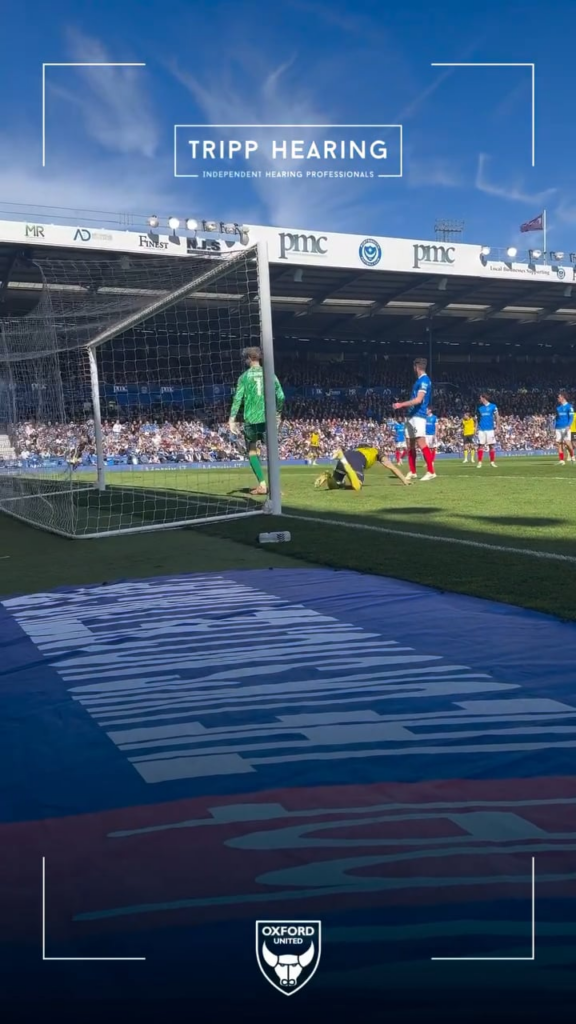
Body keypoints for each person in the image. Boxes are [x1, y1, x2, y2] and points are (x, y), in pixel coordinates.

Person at [228, 346, 285, 495]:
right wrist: (278, 413)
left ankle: (262, 485)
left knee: (252, 451)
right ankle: (275, 487)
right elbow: (281, 396)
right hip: (267, 419)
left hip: (251, 420)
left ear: (248, 359)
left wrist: (232, 419)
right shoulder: (270, 375)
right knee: (271, 451)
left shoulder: (244, 377)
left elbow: (237, 399)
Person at [392, 357, 436, 482]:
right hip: (411, 415)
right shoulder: (419, 380)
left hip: (418, 415)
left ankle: (431, 471)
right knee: (410, 444)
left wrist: (401, 404)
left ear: (416, 367)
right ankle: (412, 471)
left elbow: (418, 400)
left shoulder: (424, 381)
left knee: (421, 442)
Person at [314, 445, 411, 490]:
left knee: (335, 485)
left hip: (347, 454)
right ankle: (341, 458)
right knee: (357, 486)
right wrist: (404, 480)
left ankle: (328, 477)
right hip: (355, 460)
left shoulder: (357, 448)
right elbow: (392, 467)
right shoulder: (376, 451)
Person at [476, 393, 500, 468]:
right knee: (480, 445)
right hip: (481, 429)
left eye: (480, 398)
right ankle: (479, 462)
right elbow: (477, 419)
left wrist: (498, 427)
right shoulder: (479, 408)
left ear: (484, 398)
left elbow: (497, 417)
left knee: (491, 445)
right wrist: (475, 428)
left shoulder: (493, 406)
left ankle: (492, 462)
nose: (479, 399)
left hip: (490, 429)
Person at [554, 390, 574, 465]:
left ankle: (572, 456)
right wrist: (554, 426)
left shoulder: (569, 407)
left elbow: (571, 417)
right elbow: (557, 418)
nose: (557, 398)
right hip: (558, 427)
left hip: (565, 427)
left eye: (558, 397)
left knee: (567, 443)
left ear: (563, 397)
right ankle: (561, 460)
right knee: (559, 443)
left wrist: (568, 425)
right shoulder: (558, 408)